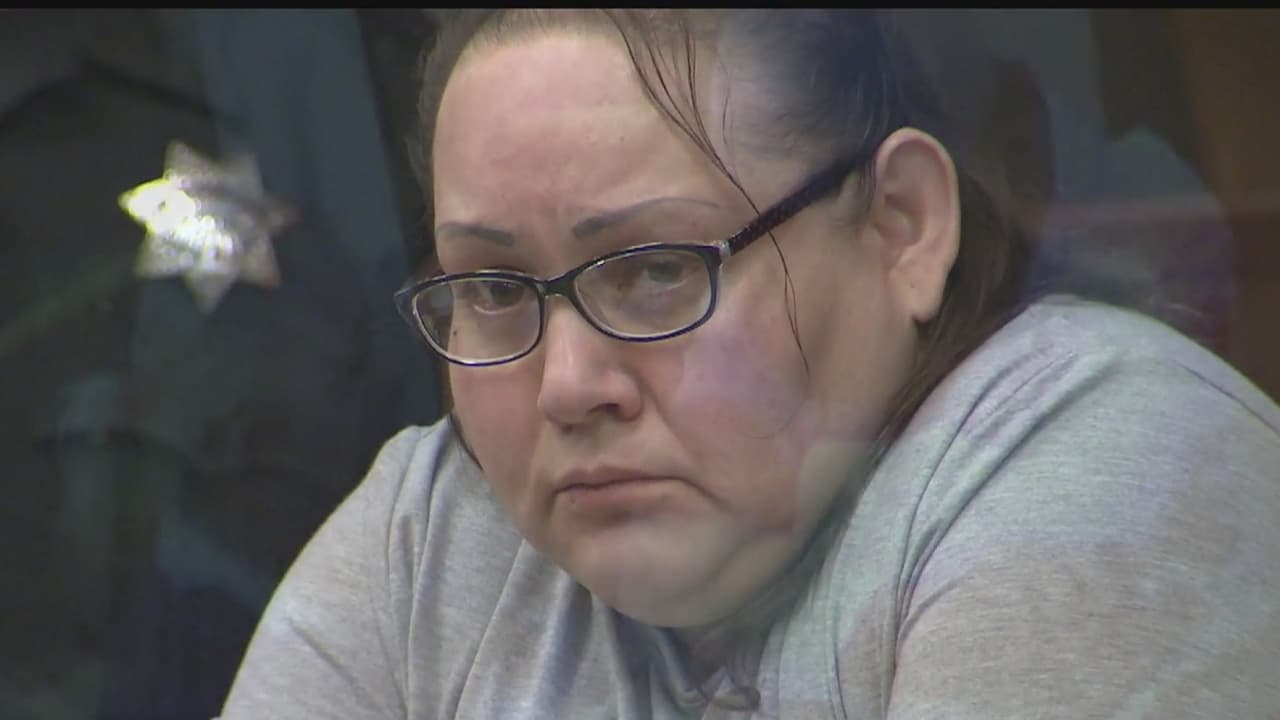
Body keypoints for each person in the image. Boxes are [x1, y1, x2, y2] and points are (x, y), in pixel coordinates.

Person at [217, 9, 1280, 718]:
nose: (567, 386)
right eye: (494, 291)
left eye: (655, 271)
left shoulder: (1107, 469)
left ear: (902, 226)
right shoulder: (433, 538)